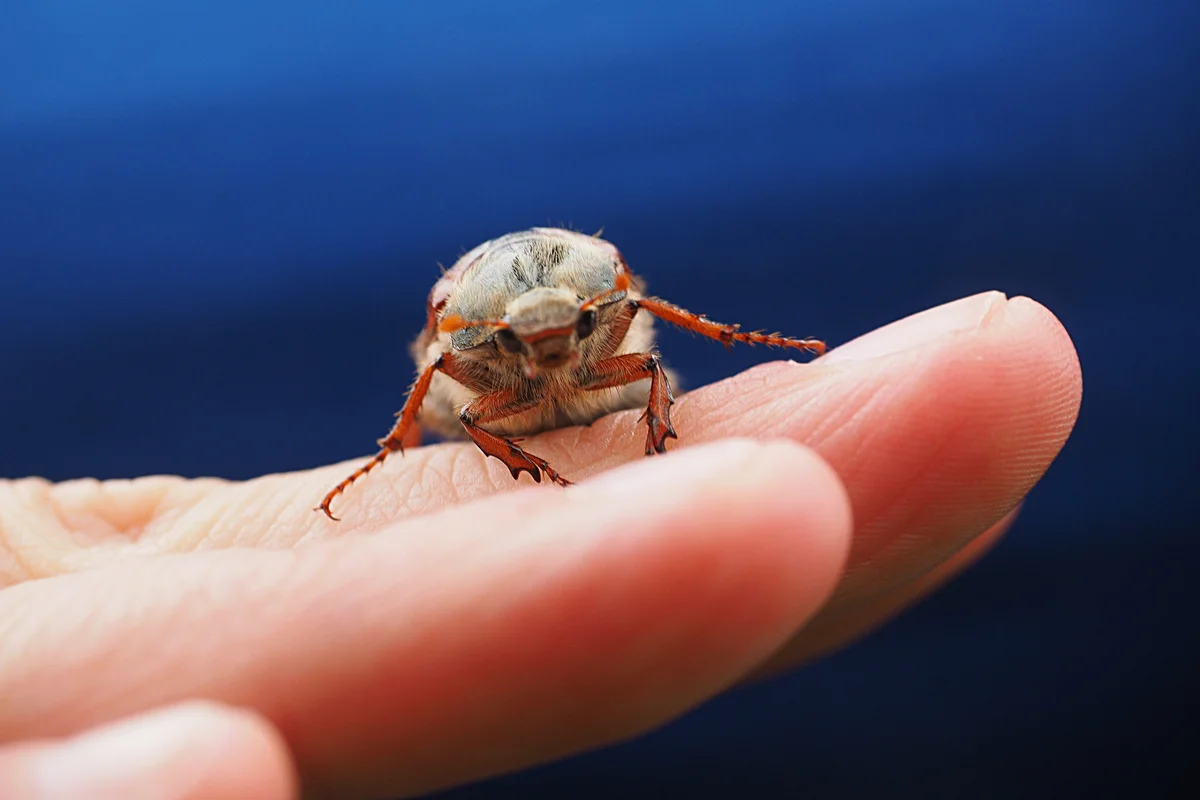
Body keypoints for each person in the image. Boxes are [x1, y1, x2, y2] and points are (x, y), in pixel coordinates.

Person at [0, 292, 1081, 799]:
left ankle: (660, 442)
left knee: (670, 407)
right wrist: (411, 437)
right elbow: (444, 385)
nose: (560, 347)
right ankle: (451, 466)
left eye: (576, 331)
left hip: (656, 433)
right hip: (489, 401)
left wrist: (719, 361)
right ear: (503, 332)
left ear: (594, 315)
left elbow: (649, 346)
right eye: (538, 336)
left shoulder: (611, 318)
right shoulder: (473, 350)